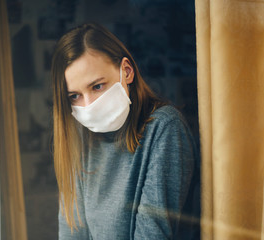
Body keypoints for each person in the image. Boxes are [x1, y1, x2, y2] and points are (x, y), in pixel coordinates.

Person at [51, 23, 200, 240]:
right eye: (74, 96)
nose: (88, 105)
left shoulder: (164, 128)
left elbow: (152, 234)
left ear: (127, 72)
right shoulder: (80, 136)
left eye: (97, 86)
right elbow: (72, 231)